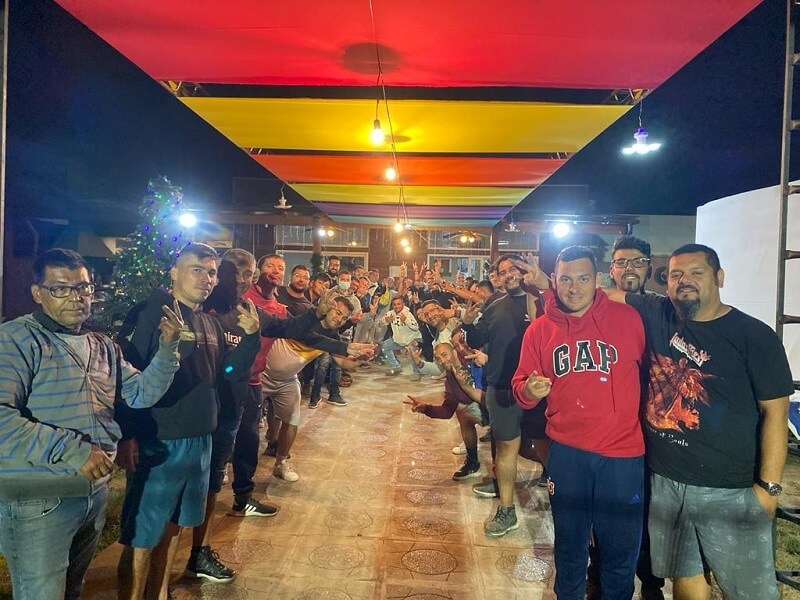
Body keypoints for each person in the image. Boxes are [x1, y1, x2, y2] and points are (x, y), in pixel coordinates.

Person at [115, 243, 324, 599]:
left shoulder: (206, 322)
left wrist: (251, 339)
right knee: (142, 537)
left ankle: (159, 593)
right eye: (197, 269)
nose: (206, 278)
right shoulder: (152, 313)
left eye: (211, 272)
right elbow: (125, 377)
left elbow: (226, 373)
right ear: (174, 272)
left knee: (175, 529)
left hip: (200, 441)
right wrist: (127, 434)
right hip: (159, 443)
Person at [604, 243, 793, 600]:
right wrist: (546, 284)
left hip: (728, 488)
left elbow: (776, 414)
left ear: (719, 277)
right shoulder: (658, 312)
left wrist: (768, 489)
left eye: (696, 272)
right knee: (685, 575)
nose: (684, 280)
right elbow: (603, 294)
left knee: (748, 591)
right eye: (676, 274)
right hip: (667, 482)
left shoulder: (753, 336)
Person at [0, 248, 183, 600]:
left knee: (73, 590)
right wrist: (74, 451)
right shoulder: (15, 340)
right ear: (38, 293)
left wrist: (168, 348)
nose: (76, 297)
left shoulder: (102, 346)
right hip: (38, 501)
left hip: (91, 495)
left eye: (83, 287)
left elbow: (141, 393)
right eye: (60, 288)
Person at [512, 245, 646, 600]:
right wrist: (529, 390)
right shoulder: (539, 331)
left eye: (583, 279)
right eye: (566, 279)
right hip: (568, 454)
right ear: (554, 281)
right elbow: (520, 388)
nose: (574, 288)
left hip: (623, 455)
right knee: (570, 548)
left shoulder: (629, 319)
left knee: (620, 552)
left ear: (597, 279)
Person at [586, 234, 664, 600]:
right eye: (621, 262)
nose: (629, 268)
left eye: (637, 262)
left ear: (649, 267)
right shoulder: (597, 309)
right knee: (604, 506)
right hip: (610, 424)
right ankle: (598, 574)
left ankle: (650, 582)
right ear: (611, 268)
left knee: (647, 508)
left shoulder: (660, 309)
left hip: (654, 425)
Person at [461, 254, 531, 537]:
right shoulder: (495, 304)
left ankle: (557, 495)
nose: (508, 274)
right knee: (504, 447)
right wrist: (467, 324)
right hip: (501, 385)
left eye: (513, 269)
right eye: (502, 272)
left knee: (543, 447)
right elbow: (479, 339)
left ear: (524, 270)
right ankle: (507, 508)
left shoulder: (542, 302)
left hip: (539, 387)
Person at [405, 342, 488, 480]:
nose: (442, 361)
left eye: (445, 355)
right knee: (462, 413)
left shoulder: (472, 363)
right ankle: (472, 462)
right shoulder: (450, 380)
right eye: (438, 359)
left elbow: (490, 395)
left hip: (501, 407)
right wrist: (426, 409)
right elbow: (447, 411)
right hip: (486, 410)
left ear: (454, 353)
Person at [382, 296, 423, 377]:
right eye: (394, 304)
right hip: (398, 341)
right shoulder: (390, 313)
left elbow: (416, 327)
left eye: (398, 304)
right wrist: (385, 320)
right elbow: (380, 323)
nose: (396, 306)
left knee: (412, 355)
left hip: (412, 340)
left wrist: (406, 321)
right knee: (385, 346)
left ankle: (417, 372)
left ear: (403, 304)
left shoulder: (408, 314)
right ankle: (396, 366)